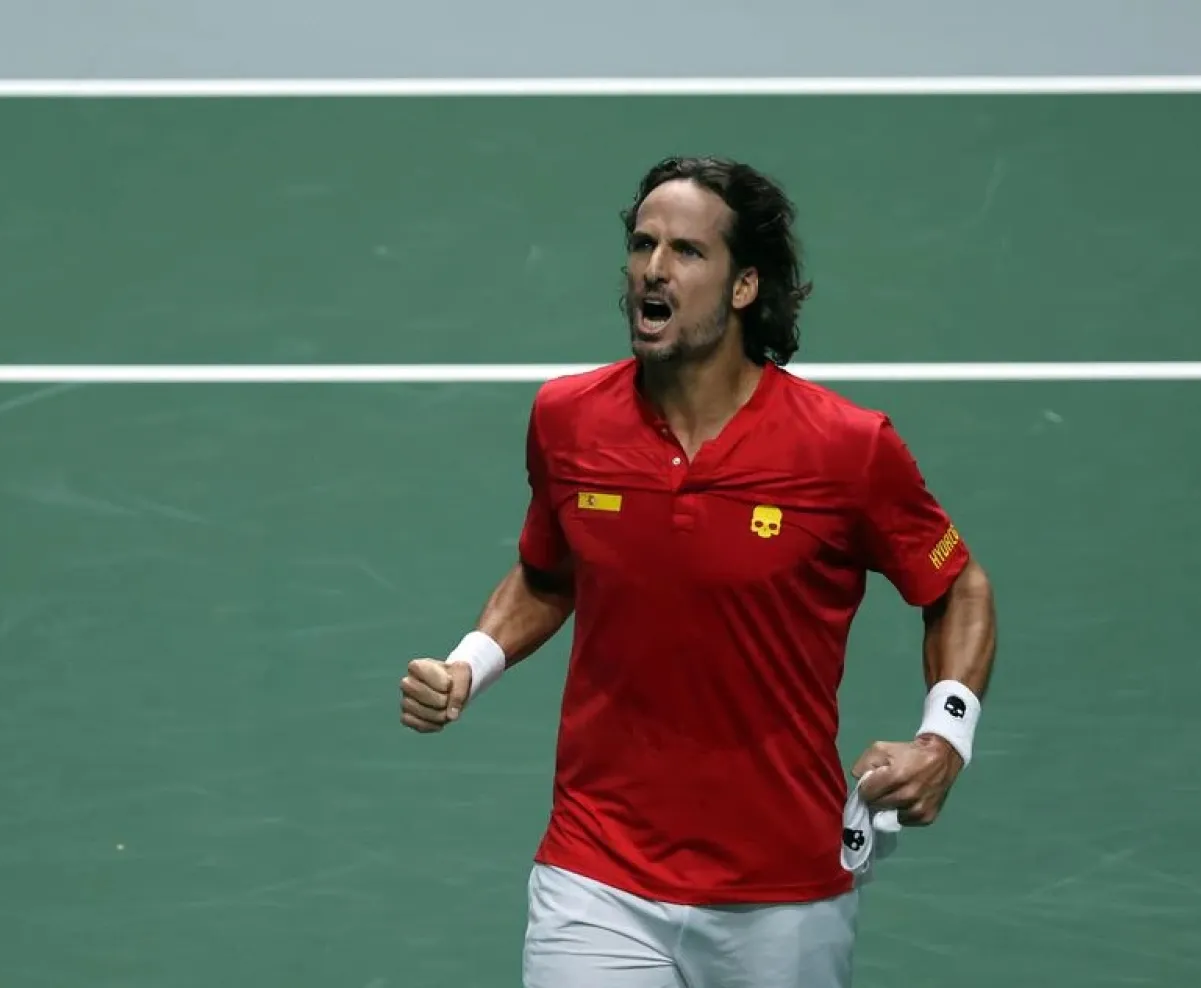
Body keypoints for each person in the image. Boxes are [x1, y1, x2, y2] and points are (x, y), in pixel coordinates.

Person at [398, 156, 998, 988]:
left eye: (686, 251)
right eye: (643, 243)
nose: (653, 266)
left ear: (745, 286)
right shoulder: (568, 420)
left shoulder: (845, 448)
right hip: (596, 872)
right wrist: (469, 664)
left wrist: (947, 736)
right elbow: (547, 575)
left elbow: (956, 583)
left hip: (782, 893)